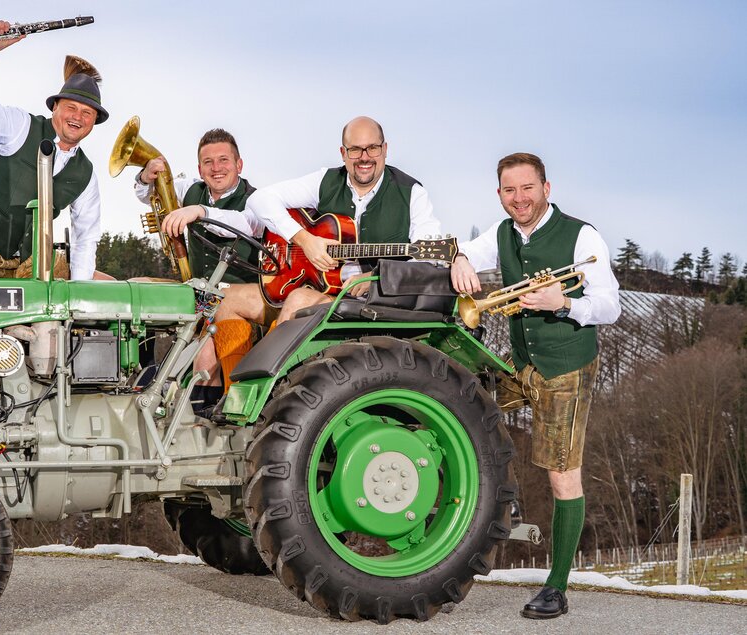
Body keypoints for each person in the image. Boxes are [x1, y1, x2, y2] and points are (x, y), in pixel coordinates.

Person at [450, 152, 620, 619]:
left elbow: (611, 305)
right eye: (509, 190)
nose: (519, 199)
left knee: (563, 475)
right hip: (522, 363)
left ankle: (557, 588)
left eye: (527, 188)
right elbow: (471, 253)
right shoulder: (503, 231)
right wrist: (462, 259)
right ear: (499, 194)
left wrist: (563, 301)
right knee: (464, 407)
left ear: (547, 188)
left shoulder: (581, 235)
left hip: (565, 368)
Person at [208, 115, 442, 385]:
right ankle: (233, 393)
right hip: (322, 288)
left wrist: (376, 279)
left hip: (371, 301)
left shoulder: (411, 193)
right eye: (355, 149)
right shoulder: (326, 181)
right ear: (343, 153)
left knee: (297, 299)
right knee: (226, 300)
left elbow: (429, 263)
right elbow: (261, 199)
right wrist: (305, 240)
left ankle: (267, 395)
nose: (364, 157)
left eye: (372, 148)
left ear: (385, 149)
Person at [0, 19, 110, 281]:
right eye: (71, 107)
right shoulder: (19, 126)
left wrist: (80, 293)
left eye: (87, 112)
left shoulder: (86, 175)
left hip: (29, 262)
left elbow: (85, 239)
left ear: (93, 122)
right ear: (54, 107)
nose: (77, 116)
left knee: (76, 302)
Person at [136, 128, 258, 401]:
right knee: (139, 291)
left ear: (239, 164)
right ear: (200, 168)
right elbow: (148, 194)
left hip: (239, 296)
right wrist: (146, 176)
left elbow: (243, 224)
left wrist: (199, 211)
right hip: (196, 289)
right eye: (208, 162)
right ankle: (143, 374)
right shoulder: (192, 189)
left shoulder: (256, 200)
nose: (216, 168)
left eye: (224, 160)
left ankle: (211, 421)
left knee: (203, 356)